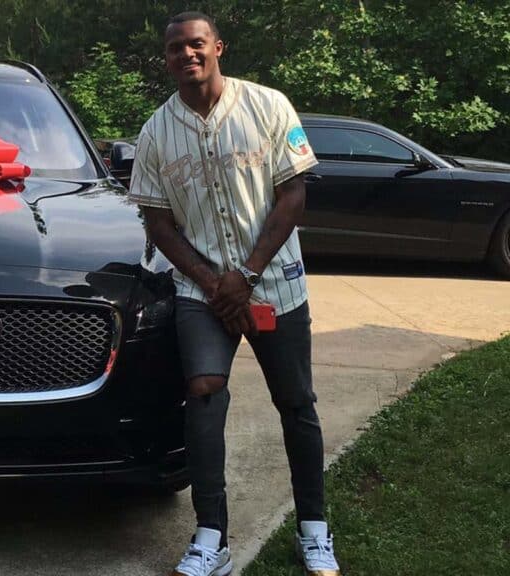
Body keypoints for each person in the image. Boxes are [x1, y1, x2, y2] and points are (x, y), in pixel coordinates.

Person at [128, 12, 341, 576]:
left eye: (196, 44)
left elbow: (293, 196)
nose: (187, 54)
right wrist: (211, 282)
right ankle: (211, 536)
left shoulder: (268, 106)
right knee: (203, 391)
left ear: (218, 47)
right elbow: (158, 222)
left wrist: (245, 275)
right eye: (175, 48)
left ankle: (314, 528)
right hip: (202, 292)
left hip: (274, 283)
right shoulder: (155, 133)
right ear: (166, 58)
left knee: (296, 403)